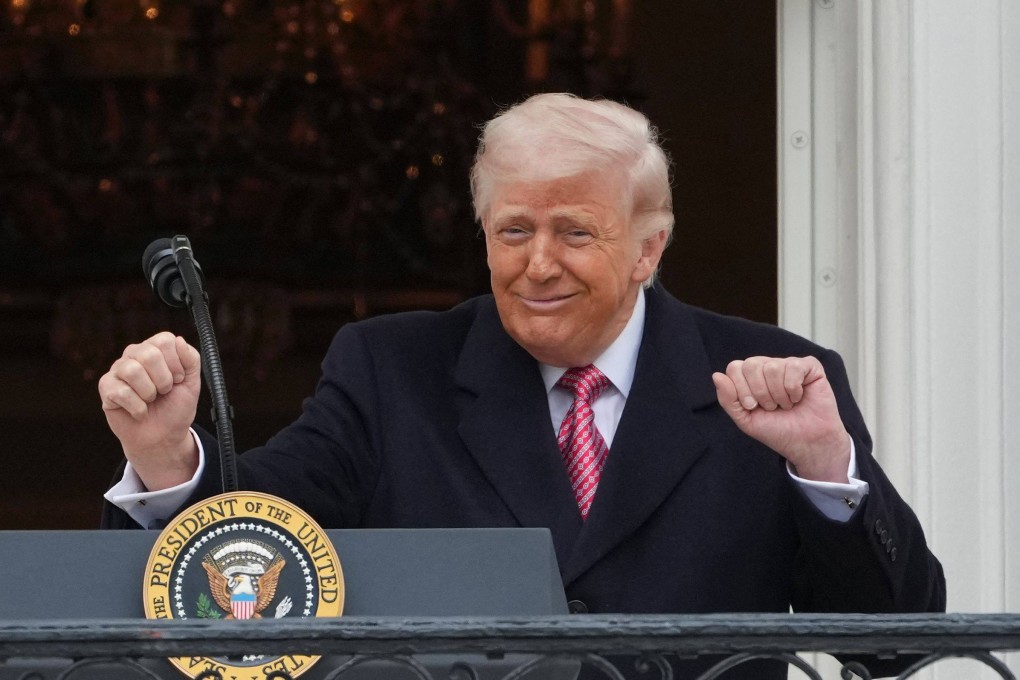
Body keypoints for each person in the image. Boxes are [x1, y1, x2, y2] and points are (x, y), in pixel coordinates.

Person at [100, 93, 945, 678]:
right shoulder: (391, 369)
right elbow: (255, 533)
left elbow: (891, 646)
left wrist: (825, 469)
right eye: (514, 231)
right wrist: (168, 457)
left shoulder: (775, 382)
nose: (539, 264)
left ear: (648, 248)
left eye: (575, 231)